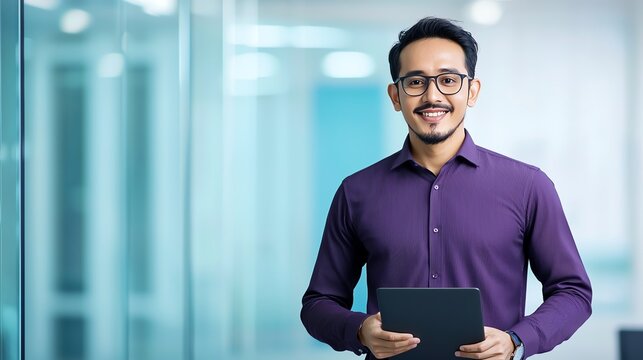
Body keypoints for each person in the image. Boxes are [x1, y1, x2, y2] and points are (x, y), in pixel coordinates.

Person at [300, 17, 592, 360]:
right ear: (396, 96)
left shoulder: (528, 186)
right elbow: (318, 304)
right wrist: (360, 331)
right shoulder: (357, 192)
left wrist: (516, 339)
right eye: (416, 82)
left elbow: (572, 292)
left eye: (449, 80)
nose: (432, 95)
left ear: (472, 91)